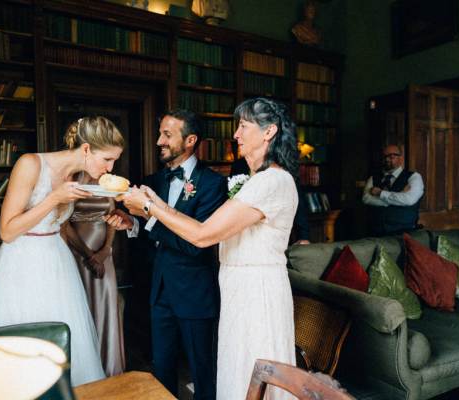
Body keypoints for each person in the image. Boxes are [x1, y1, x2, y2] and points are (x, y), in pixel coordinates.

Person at [113, 98, 299, 400]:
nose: (235, 134)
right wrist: (154, 204)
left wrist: (149, 206)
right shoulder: (255, 181)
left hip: (257, 291)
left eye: (243, 126)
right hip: (237, 288)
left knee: (254, 368)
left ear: (269, 132)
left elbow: (201, 235)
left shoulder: (273, 182)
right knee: (235, 368)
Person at [0, 116, 125, 386]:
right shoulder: (30, 164)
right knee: (25, 349)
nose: (110, 168)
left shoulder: (78, 176)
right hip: (23, 263)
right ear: (87, 149)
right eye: (107, 159)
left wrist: (115, 223)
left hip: (58, 261)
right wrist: (54, 198)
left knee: (67, 343)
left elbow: (61, 224)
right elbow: (7, 232)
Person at [105, 109, 227, 399]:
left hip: (195, 292)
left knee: (202, 370)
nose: (159, 140)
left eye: (167, 135)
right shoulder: (154, 181)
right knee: (162, 368)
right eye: (160, 133)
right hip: (159, 290)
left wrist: (147, 216)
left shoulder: (213, 184)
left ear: (190, 140)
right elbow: (154, 233)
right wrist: (132, 223)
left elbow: (196, 242)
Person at [61, 172, 126, 377]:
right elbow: (64, 223)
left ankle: (109, 367)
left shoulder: (110, 180)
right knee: (81, 308)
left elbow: (114, 216)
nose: (110, 165)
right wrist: (89, 256)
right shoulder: (69, 178)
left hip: (103, 253)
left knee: (106, 303)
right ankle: (85, 372)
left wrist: (106, 250)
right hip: (76, 254)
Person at [230, 157, 310, 244]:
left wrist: (303, 236)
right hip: (240, 232)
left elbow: (297, 200)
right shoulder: (238, 165)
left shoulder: (280, 165)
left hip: (272, 235)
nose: (239, 142)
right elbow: (231, 197)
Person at [362, 144, 424, 236]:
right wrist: (397, 198)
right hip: (375, 232)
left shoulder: (414, 177)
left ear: (401, 158)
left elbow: (409, 199)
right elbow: (366, 199)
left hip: (403, 232)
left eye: (392, 156)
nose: (387, 159)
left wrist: (380, 193)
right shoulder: (373, 178)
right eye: (385, 157)